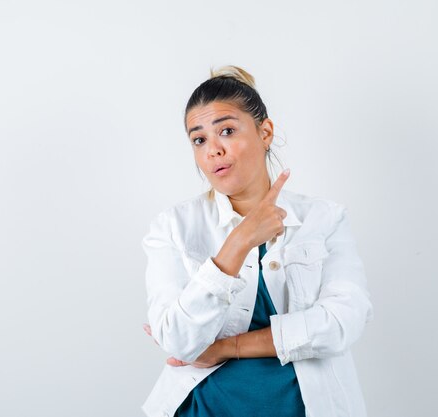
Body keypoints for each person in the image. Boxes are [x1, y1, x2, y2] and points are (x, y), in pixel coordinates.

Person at [140, 65, 373, 417]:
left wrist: (227, 347)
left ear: (265, 132)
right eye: (199, 139)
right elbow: (177, 342)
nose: (213, 150)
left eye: (227, 131)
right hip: (205, 407)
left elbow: (343, 322)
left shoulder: (324, 218)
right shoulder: (172, 227)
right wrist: (239, 241)